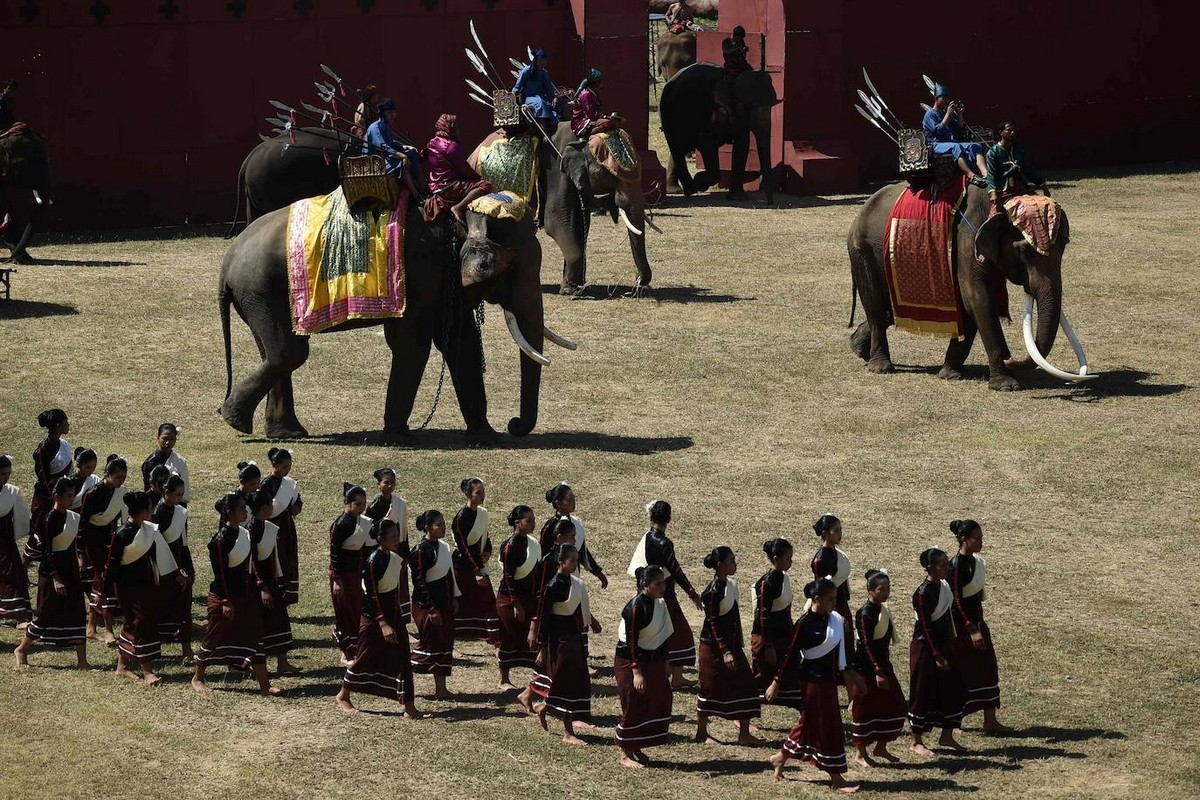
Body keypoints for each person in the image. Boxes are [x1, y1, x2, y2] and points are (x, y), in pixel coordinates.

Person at [767, 577, 865, 792]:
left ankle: (780, 757)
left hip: (828, 682)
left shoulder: (833, 619)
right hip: (813, 683)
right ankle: (837, 779)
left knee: (808, 724)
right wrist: (776, 682)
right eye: (830, 600)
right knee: (827, 727)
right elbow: (790, 654)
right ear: (817, 599)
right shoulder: (804, 623)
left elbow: (842, 653)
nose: (834, 604)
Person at [192, 492, 280, 696]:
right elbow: (220, 574)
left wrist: (260, 586)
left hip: (246, 595)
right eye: (241, 508)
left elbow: (252, 564)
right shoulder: (219, 541)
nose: (245, 511)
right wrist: (225, 601)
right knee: (213, 637)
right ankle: (197, 677)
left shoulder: (245, 533)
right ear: (229, 512)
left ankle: (265, 686)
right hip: (224, 597)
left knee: (256, 637)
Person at [337, 517, 423, 717]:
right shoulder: (373, 561)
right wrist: (383, 623)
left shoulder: (394, 558)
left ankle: (409, 706)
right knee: (365, 657)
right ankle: (343, 695)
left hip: (394, 616)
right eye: (392, 536)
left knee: (403, 658)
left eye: (397, 535)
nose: (396, 539)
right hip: (374, 619)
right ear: (380, 538)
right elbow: (371, 595)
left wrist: (396, 619)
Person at [15, 477, 91, 670]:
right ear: (57, 496)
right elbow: (47, 552)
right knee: (45, 614)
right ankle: (22, 649)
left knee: (77, 613)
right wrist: (56, 578)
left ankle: (82, 661)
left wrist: (79, 560)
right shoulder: (49, 519)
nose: (71, 499)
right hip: (51, 573)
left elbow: (73, 543)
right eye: (68, 496)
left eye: (73, 496)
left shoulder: (72, 517)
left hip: (71, 571)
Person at [627, 499, 702, 689]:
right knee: (677, 632)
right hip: (663, 592)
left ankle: (673, 674)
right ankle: (673, 674)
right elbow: (675, 570)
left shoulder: (647, 537)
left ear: (651, 517)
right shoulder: (664, 543)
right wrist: (692, 593)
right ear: (669, 519)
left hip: (649, 589)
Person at [106, 490, 177, 686]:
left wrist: (177, 575)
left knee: (133, 623)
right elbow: (111, 565)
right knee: (141, 622)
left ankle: (121, 666)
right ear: (144, 510)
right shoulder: (121, 534)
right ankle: (147, 670)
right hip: (127, 587)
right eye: (150, 508)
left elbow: (159, 555)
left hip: (145, 584)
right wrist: (105, 593)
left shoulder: (149, 530)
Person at [695, 546, 764, 746]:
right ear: (719, 566)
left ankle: (743, 733)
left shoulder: (730, 585)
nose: (735, 564)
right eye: (731, 561)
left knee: (746, 684)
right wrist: (724, 651)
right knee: (709, 687)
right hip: (713, 648)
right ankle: (702, 732)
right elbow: (713, 624)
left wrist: (734, 647)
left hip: (732, 646)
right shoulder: (712, 592)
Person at [542, 482, 608, 677]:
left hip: (574, 576)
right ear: (557, 503)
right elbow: (546, 554)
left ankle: (581, 659)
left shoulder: (577, 523)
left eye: (574, 499)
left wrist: (597, 572)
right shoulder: (551, 526)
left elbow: (583, 552)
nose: (573, 502)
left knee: (579, 618)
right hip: (559, 580)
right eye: (569, 500)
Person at [532, 544, 596, 745]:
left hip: (574, 638)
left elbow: (579, 608)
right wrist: (542, 648)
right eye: (572, 561)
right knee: (564, 682)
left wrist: (592, 621)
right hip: (559, 641)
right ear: (561, 562)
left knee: (577, 680)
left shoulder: (575, 583)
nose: (576, 564)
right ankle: (568, 733)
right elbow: (544, 619)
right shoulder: (552, 587)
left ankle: (545, 707)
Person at [949, 519, 1008, 731]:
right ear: (964, 540)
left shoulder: (976, 562)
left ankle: (990, 720)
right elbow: (955, 600)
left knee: (987, 667)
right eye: (977, 538)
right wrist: (971, 628)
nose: (981, 542)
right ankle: (955, 720)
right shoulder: (955, 565)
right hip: (962, 627)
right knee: (962, 672)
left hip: (977, 622)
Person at [614, 565, 675, 769]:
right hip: (630, 661)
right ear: (645, 585)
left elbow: (663, 635)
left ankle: (636, 744)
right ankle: (624, 751)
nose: (662, 587)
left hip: (652, 659)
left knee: (661, 696)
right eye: (657, 584)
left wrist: (665, 661)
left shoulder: (660, 604)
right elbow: (631, 641)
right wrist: (637, 672)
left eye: (663, 583)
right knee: (633, 702)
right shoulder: (635, 607)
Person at [909, 547, 967, 755]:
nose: (947, 568)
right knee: (923, 690)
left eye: (946, 563)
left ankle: (947, 735)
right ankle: (917, 741)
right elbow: (925, 626)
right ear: (929, 568)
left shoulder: (944, 587)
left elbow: (948, 616)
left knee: (952, 688)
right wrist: (937, 654)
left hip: (945, 644)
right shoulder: (923, 593)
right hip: (926, 647)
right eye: (942, 564)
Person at [850, 569, 907, 766]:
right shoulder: (864, 613)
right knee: (864, 709)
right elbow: (865, 644)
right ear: (870, 590)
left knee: (895, 704)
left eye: (888, 588)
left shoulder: (883, 611)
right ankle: (860, 753)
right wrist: (877, 671)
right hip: (867, 669)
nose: (886, 593)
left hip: (883, 665)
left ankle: (881, 747)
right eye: (881, 589)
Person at [409, 509, 460, 699]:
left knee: (443, 644)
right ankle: (400, 670)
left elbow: (449, 574)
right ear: (428, 527)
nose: (443, 527)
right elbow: (419, 581)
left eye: (443, 523)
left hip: (444, 603)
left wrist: (454, 597)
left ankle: (441, 688)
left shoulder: (444, 547)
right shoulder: (420, 550)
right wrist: (431, 609)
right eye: (439, 524)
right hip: (426, 606)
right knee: (429, 645)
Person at [247, 489, 298, 676]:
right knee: (260, 625)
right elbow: (252, 560)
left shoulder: (266, 526)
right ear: (265, 507)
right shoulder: (251, 529)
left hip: (271, 581)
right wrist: (262, 586)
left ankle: (282, 663)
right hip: (259, 584)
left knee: (280, 620)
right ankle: (258, 666)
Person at [79, 454, 128, 645]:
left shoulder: (119, 492)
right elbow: (82, 524)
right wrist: (81, 553)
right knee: (105, 581)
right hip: (93, 543)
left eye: (123, 477)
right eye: (117, 477)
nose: (120, 481)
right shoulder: (92, 493)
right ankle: (108, 630)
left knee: (99, 583)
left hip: (109, 541)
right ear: (108, 474)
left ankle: (91, 627)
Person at [751, 537, 802, 708]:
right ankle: (745, 715)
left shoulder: (783, 577)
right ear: (775, 559)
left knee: (790, 675)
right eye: (787, 558)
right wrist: (769, 645)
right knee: (762, 678)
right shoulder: (768, 582)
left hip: (784, 635)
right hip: (769, 638)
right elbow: (763, 615)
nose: (791, 562)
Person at [496, 505, 540, 697]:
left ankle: (535, 681)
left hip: (529, 597)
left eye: (533, 519)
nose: (533, 523)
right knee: (508, 638)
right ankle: (504, 679)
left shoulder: (532, 543)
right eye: (528, 520)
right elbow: (508, 577)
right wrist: (516, 603)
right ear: (517, 523)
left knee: (531, 639)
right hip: (510, 599)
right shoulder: (510, 546)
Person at [450, 477, 500, 645]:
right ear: (468, 494)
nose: (482, 496)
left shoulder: (482, 513)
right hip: (464, 565)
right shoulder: (461, 516)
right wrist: (476, 566)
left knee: (486, 598)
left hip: (478, 562)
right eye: (478, 493)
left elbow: (485, 536)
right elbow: (462, 544)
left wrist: (487, 551)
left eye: (483, 492)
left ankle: (484, 629)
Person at [152, 474, 195, 665]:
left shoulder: (180, 512)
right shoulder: (156, 513)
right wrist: (174, 571)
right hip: (161, 565)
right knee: (158, 607)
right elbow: (156, 545)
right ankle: (154, 648)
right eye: (177, 495)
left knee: (184, 606)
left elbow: (182, 542)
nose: (180, 498)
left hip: (177, 560)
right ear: (166, 493)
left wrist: (187, 569)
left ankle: (187, 649)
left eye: (182, 494)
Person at [330, 483, 373, 666]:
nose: (361, 508)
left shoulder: (361, 521)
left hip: (356, 574)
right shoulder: (341, 524)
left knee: (356, 610)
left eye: (363, 504)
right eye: (357, 504)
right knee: (345, 612)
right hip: (343, 575)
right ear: (347, 503)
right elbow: (335, 553)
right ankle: (346, 652)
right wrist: (337, 580)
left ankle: (357, 648)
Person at [423, 113, 493, 224]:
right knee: (485, 185)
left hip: (435, 187)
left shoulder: (432, 142)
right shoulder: (451, 146)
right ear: (449, 127)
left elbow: (423, 156)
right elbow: (464, 169)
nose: (458, 129)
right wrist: (478, 177)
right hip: (450, 187)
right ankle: (458, 207)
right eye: (456, 126)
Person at [365, 467, 411, 625]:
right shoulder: (373, 507)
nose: (390, 486)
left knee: (400, 586)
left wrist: (405, 554)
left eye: (393, 482)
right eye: (386, 483)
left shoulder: (400, 503)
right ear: (379, 485)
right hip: (382, 552)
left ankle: (402, 621)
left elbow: (404, 530)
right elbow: (370, 531)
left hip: (397, 550)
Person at [260, 448, 302, 607]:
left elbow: (297, 501)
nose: (287, 470)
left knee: (289, 559)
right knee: (277, 560)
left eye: (289, 466)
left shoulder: (290, 484)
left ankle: (288, 593)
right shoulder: (266, 484)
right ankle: (277, 592)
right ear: (274, 464)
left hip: (288, 529)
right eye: (284, 466)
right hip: (273, 529)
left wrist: (297, 507)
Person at [922, 85, 988, 186]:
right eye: (944, 98)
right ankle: (971, 176)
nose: (946, 101)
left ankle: (985, 173)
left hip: (948, 143)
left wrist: (960, 115)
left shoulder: (946, 114)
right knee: (956, 146)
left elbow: (959, 131)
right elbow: (938, 131)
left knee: (975, 146)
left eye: (948, 98)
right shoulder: (929, 115)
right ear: (936, 99)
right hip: (935, 145)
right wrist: (948, 115)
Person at [810, 513, 854, 656]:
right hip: (830, 608)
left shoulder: (835, 552)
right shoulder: (821, 560)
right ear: (825, 533)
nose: (840, 533)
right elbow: (821, 591)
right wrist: (834, 614)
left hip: (841, 604)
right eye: (836, 530)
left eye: (840, 529)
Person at [985, 121, 1048, 216]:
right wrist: (993, 193)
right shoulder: (993, 152)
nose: (1013, 133)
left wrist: (1043, 185)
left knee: (1038, 208)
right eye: (1009, 130)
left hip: (1021, 188)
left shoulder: (1018, 150)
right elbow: (991, 174)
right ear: (1001, 132)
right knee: (995, 217)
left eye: (1014, 130)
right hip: (1002, 190)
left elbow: (1029, 169)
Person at [31, 409, 73, 547]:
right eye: (66, 422)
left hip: (62, 496)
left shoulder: (65, 445)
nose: (68, 424)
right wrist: (55, 497)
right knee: (40, 537)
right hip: (46, 498)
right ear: (57, 425)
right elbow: (43, 477)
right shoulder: (44, 448)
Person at [363, 98, 421, 198]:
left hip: (384, 158)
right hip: (374, 162)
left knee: (412, 153)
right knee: (402, 163)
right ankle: (416, 194)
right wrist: (403, 156)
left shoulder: (386, 126)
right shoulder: (374, 128)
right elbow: (383, 147)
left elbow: (391, 143)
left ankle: (420, 185)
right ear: (382, 114)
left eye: (394, 112)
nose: (393, 115)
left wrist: (406, 147)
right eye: (390, 113)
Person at [0, 454, 33, 622]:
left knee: (11, 577)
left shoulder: (12, 492)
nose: (5, 478)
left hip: (4, 543)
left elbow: (21, 518)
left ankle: (18, 614)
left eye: (8, 474)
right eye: (3, 474)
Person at [513, 48, 567, 131]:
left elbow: (549, 89)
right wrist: (512, 97)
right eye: (541, 60)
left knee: (561, 101)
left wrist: (554, 97)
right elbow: (517, 87)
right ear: (536, 59)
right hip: (528, 98)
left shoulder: (544, 73)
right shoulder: (526, 71)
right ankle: (543, 131)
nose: (543, 62)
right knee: (540, 103)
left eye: (544, 60)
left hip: (541, 96)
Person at [140, 422, 190, 504]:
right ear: (158, 438)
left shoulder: (180, 461)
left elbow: (183, 491)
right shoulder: (150, 462)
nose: (168, 442)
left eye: (172, 439)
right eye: (165, 438)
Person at [570, 69, 613, 139]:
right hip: (581, 121)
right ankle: (587, 135)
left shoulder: (594, 93)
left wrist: (604, 116)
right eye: (601, 81)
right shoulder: (585, 95)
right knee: (607, 123)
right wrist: (604, 118)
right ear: (596, 83)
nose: (603, 83)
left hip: (592, 118)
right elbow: (591, 114)